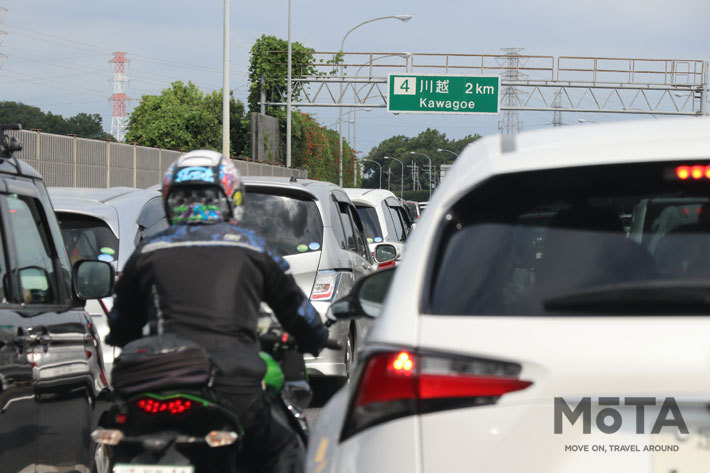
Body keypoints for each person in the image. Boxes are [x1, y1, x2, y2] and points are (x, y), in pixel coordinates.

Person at [107, 149, 328, 473]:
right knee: (287, 447)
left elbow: (121, 323)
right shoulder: (251, 247)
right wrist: (316, 337)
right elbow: (297, 311)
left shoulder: (147, 251)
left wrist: (129, 336)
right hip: (233, 383)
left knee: (122, 440)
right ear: (231, 197)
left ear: (169, 200)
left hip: (152, 380)